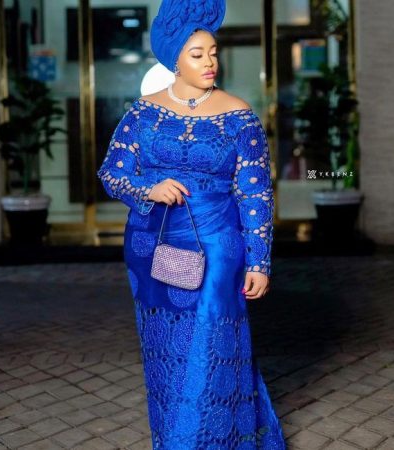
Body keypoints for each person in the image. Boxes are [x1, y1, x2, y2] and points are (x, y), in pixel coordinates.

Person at [97, 0, 286, 448]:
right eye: (197, 54)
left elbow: (256, 194)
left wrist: (259, 262)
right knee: (167, 350)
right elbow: (112, 174)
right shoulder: (143, 113)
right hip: (153, 245)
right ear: (174, 59)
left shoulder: (239, 115)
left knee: (210, 342)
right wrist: (149, 187)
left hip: (219, 243)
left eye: (213, 53)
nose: (209, 62)